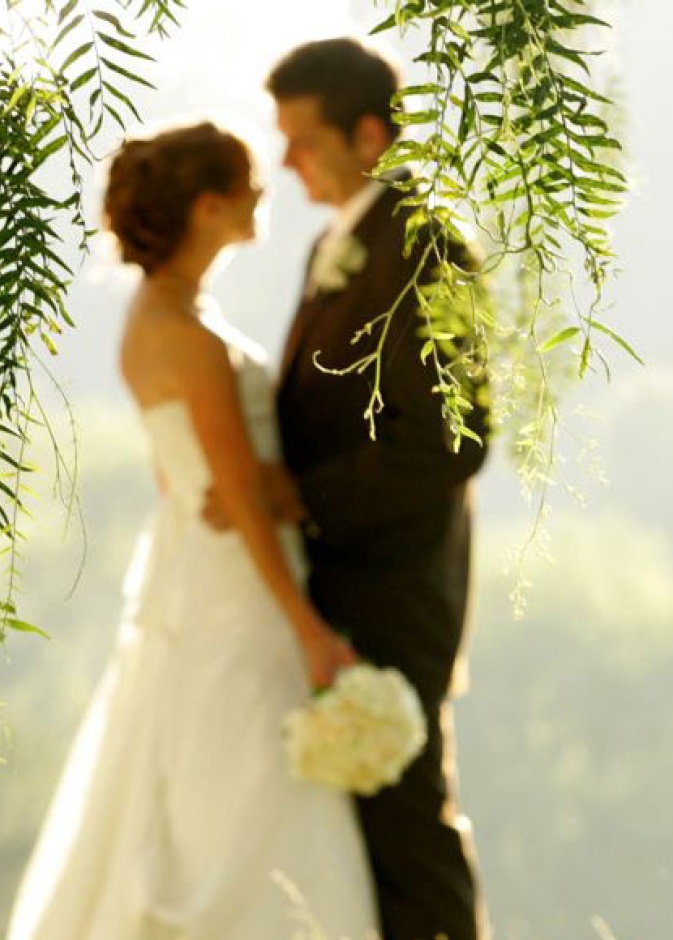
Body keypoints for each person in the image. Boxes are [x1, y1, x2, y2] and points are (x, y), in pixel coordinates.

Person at [6, 121, 378, 940]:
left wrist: (268, 488)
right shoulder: (185, 336)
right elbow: (237, 494)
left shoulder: (161, 317)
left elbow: (180, 472)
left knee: (210, 785)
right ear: (209, 206)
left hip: (195, 562)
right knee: (244, 795)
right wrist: (308, 629)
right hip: (233, 584)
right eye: (250, 183)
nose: (265, 193)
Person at [267, 38, 491, 940]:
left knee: (406, 836)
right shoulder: (336, 242)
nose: (286, 161)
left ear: (368, 135)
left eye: (302, 140)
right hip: (334, 584)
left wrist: (302, 500)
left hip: (395, 588)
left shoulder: (429, 249)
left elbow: (447, 440)